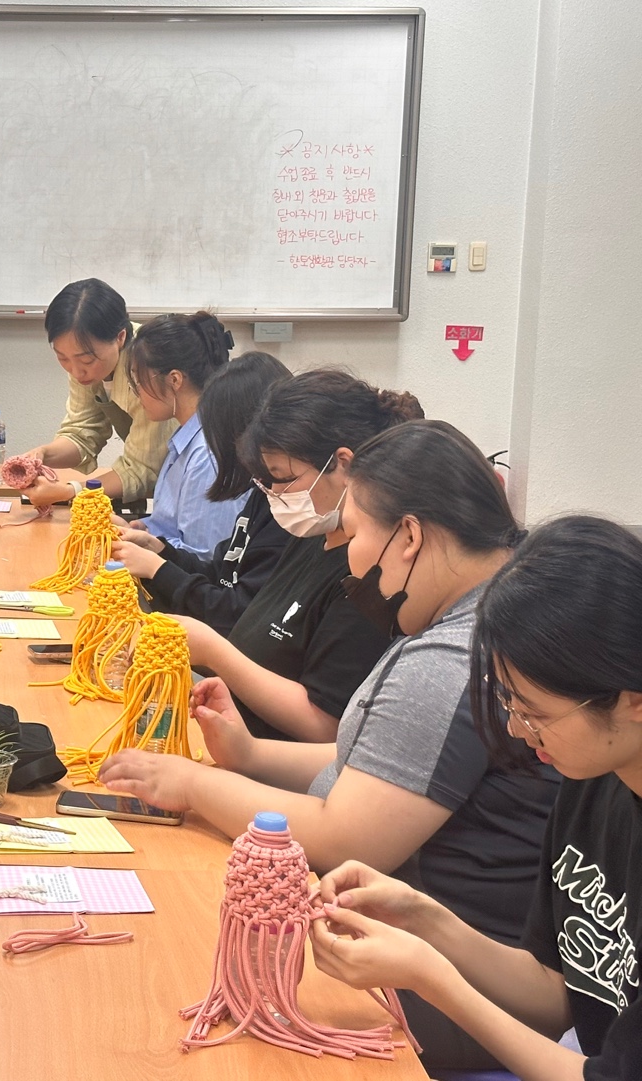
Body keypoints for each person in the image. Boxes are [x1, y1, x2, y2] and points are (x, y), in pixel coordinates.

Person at [100, 420, 560, 1070]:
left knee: (183, 987)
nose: (346, 557)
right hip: (441, 949)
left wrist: (194, 784)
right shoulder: (476, 618)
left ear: (410, 536)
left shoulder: (450, 657)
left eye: (352, 531)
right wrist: (251, 756)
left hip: (449, 982)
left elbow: (344, 835)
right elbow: (385, 769)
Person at [311, 517, 642, 1080]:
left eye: (533, 712)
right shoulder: (593, 779)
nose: (515, 730)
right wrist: (425, 920)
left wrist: (431, 977)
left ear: (632, 698)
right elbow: (558, 994)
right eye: (510, 703)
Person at [176, 369, 412, 741]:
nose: (275, 493)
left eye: (284, 479)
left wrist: (213, 651)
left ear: (343, 464)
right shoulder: (313, 533)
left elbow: (325, 727)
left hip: (268, 759)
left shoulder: (368, 569)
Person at [110, 351, 292, 635]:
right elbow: (220, 571)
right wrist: (160, 550)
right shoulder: (263, 492)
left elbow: (233, 612)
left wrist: (158, 569)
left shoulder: (287, 517)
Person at [16, 279, 175, 511]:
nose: (76, 371)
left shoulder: (148, 366)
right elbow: (81, 432)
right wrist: (43, 454)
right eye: (62, 358)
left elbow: (142, 468)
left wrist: (71, 491)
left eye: (87, 360)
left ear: (120, 337)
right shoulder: (83, 363)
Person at [119, 311, 243, 554]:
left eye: (139, 381)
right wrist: (142, 530)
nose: (137, 393)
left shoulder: (207, 455)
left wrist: (148, 544)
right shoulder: (188, 437)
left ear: (174, 380)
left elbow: (202, 558)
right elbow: (172, 528)